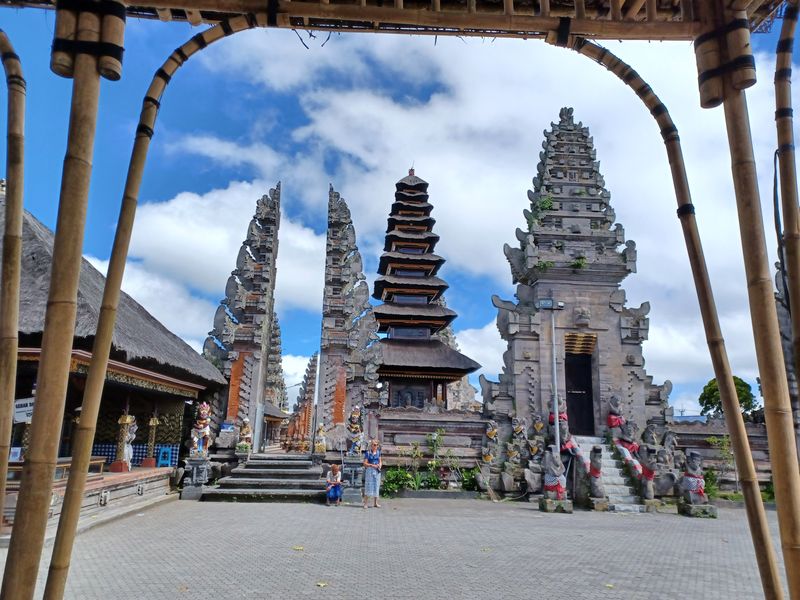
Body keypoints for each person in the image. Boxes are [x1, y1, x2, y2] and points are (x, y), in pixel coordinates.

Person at [363, 438, 382, 508]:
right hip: (370, 470)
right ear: (371, 445)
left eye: (377, 445)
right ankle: (365, 503)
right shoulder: (368, 453)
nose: (375, 446)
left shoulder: (378, 452)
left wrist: (380, 465)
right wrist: (372, 465)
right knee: (368, 486)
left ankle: (375, 503)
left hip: (377, 471)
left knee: (376, 486)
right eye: (374, 445)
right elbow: (364, 463)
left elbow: (380, 461)